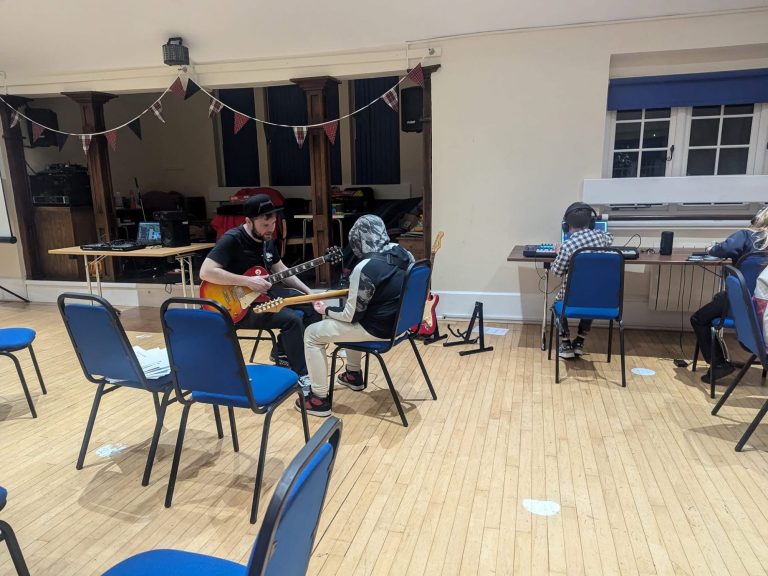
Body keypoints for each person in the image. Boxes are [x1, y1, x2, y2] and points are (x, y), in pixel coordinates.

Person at [296, 215, 414, 417]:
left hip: (378, 330)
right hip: (401, 325)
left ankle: (319, 399)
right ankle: (352, 375)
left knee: (312, 334)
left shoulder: (364, 268)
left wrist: (325, 310)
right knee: (350, 318)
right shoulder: (404, 253)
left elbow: (351, 316)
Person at [199, 193, 319, 380]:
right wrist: (247, 281)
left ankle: (282, 352)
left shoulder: (267, 241)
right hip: (236, 306)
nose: (270, 229)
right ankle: (302, 376)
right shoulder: (232, 239)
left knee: (312, 308)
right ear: (248, 221)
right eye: (265, 225)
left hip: (260, 296)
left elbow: (281, 270)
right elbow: (205, 272)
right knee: (292, 320)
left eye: (273, 224)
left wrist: (310, 294)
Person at [690, 206, 768, 382]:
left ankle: (719, 364)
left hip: (741, 306)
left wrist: (711, 248)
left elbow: (720, 250)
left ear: (758, 219)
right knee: (719, 298)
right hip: (764, 313)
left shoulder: (746, 236)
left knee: (698, 319)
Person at [550, 202, 614, 359]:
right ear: (591, 224)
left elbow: (557, 272)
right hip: (598, 298)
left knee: (556, 304)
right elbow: (610, 238)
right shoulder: (602, 238)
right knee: (589, 299)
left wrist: (559, 252)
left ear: (566, 226)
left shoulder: (568, 245)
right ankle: (579, 341)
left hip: (571, 299)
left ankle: (565, 344)